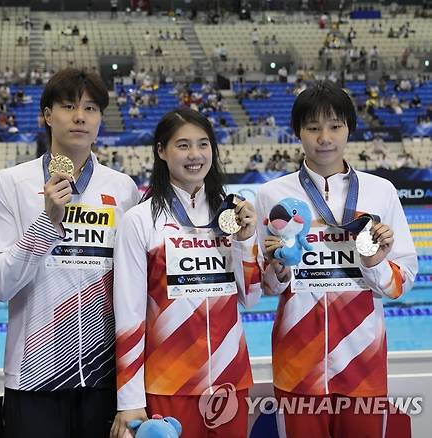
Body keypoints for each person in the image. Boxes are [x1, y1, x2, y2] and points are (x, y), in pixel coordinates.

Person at [0, 68, 140, 438]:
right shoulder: (12, 183)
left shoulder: (124, 189)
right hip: (34, 374)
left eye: (91, 108)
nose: (80, 116)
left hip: (105, 375)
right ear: (47, 115)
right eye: (68, 106)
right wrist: (48, 223)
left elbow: (135, 283)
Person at [255, 81, 418, 437]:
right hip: (297, 363)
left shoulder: (381, 192)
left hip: (363, 362)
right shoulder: (272, 194)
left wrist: (374, 261)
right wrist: (278, 268)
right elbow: (265, 285)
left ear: (349, 129)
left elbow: (401, 283)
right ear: (298, 132)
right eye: (313, 128)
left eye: (334, 126)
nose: (324, 137)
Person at [111, 108, 261, 438]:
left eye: (203, 144)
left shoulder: (232, 214)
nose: (195, 155)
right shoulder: (141, 220)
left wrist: (247, 241)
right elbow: (129, 314)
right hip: (169, 383)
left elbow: (251, 296)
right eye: (183, 145)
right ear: (162, 151)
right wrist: (130, 399)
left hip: (230, 380)